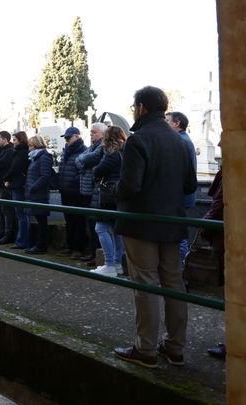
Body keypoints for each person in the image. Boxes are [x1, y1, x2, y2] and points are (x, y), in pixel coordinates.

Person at [113, 86, 197, 369]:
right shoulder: (180, 141)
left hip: (141, 224)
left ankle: (145, 348)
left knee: (145, 283)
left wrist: (113, 191)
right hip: (172, 223)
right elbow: (189, 185)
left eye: (134, 106)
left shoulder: (138, 140)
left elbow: (130, 186)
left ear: (142, 108)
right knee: (174, 283)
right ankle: (175, 348)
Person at [90, 126, 127, 276]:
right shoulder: (125, 152)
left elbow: (98, 171)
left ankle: (109, 264)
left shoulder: (111, 154)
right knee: (115, 231)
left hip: (108, 195)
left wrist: (94, 171)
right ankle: (117, 264)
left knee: (101, 228)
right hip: (118, 194)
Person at [166, 111, 197, 265]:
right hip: (182, 195)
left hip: (180, 196)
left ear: (176, 123)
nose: (164, 124)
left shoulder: (180, 141)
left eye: (167, 121)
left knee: (178, 235)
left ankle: (182, 268)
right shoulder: (183, 139)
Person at [75, 122, 107, 263]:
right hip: (86, 189)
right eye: (91, 132)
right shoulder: (92, 147)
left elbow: (91, 158)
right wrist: (83, 161)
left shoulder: (102, 146)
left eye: (94, 132)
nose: (91, 135)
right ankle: (92, 252)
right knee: (89, 223)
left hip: (95, 190)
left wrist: (83, 161)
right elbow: (79, 159)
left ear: (102, 133)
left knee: (96, 224)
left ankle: (97, 254)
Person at [202, 165, 225, 360]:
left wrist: (204, 228)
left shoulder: (234, 170)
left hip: (230, 240)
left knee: (235, 293)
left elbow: (218, 205)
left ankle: (234, 341)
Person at [57, 126, 88, 259]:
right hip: (66, 191)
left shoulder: (83, 151)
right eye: (65, 138)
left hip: (76, 192)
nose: (67, 140)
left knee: (78, 221)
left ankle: (78, 248)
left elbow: (83, 172)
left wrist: (72, 183)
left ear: (77, 136)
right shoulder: (66, 152)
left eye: (69, 138)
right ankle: (70, 246)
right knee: (69, 220)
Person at [24, 136, 54, 254]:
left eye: (31, 146)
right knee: (38, 219)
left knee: (41, 220)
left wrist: (33, 187)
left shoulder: (43, 157)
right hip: (34, 193)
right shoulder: (35, 158)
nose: (29, 149)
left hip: (39, 193)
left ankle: (41, 245)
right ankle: (38, 244)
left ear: (36, 145)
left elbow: (45, 176)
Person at [4, 131, 30, 250]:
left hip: (18, 185)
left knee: (21, 214)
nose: (13, 142)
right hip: (19, 183)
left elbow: (15, 168)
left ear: (19, 140)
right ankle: (23, 240)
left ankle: (22, 241)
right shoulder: (23, 152)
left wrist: (6, 178)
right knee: (22, 214)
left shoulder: (20, 153)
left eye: (14, 140)